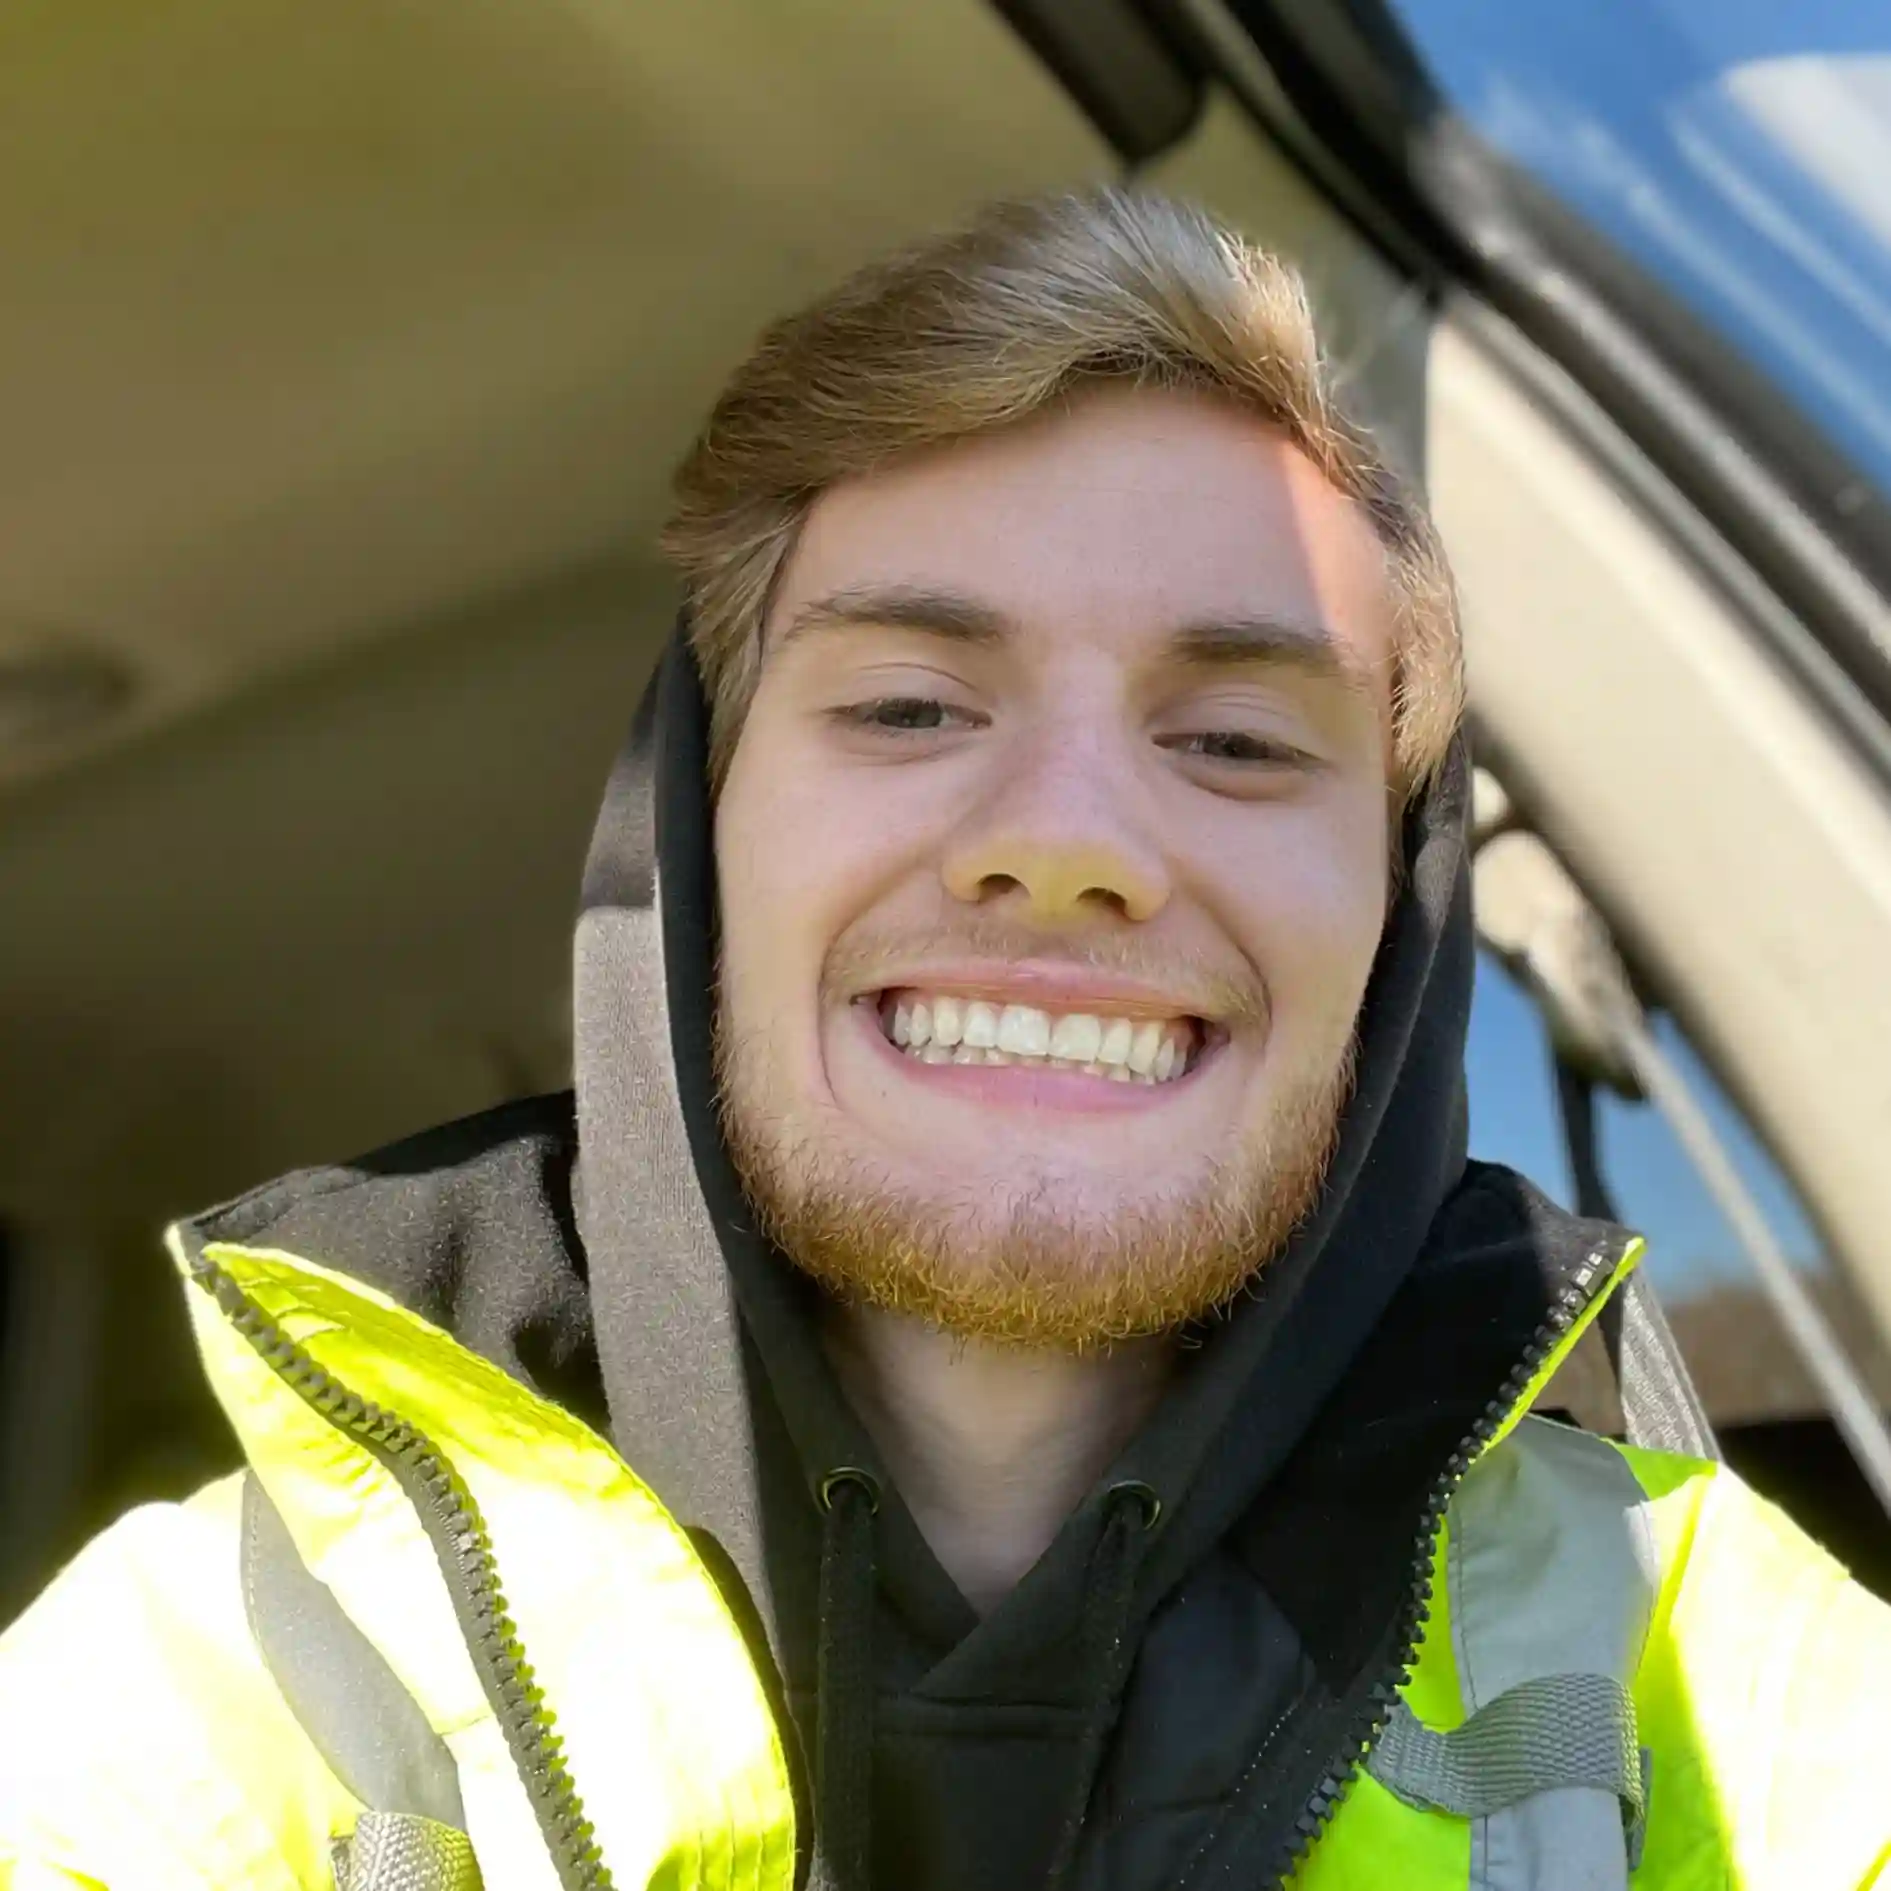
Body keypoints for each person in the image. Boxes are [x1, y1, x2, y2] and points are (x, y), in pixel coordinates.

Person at [3, 189, 1887, 1891]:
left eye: (1234, 738)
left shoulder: (1739, 1694)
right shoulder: (205, 1703)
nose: (1065, 840)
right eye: (909, 705)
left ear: (1392, 921)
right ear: (694, 849)